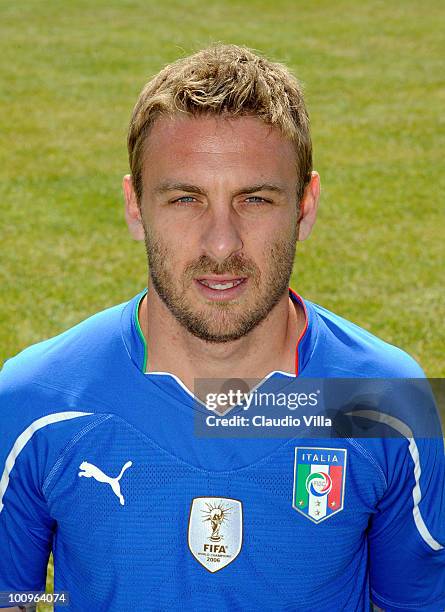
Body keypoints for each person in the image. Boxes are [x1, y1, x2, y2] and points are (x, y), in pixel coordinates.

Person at [0, 44, 443, 612]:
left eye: (254, 199)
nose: (221, 244)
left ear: (304, 207)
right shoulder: (38, 401)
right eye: (186, 198)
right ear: (135, 207)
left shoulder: (383, 404)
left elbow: (410, 602)